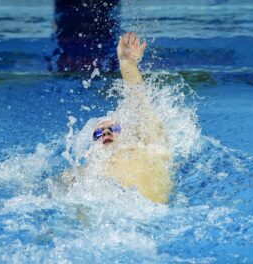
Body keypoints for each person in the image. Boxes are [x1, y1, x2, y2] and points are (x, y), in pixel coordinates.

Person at [64, 32, 172, 204]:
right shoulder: (82, 172)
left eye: (114, 129)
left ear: (129, 133)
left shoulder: (150, 149)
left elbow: (141, 102)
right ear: (90, 148)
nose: (106, 132)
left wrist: (127, 65)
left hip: (147, 213)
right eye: (97, 134)